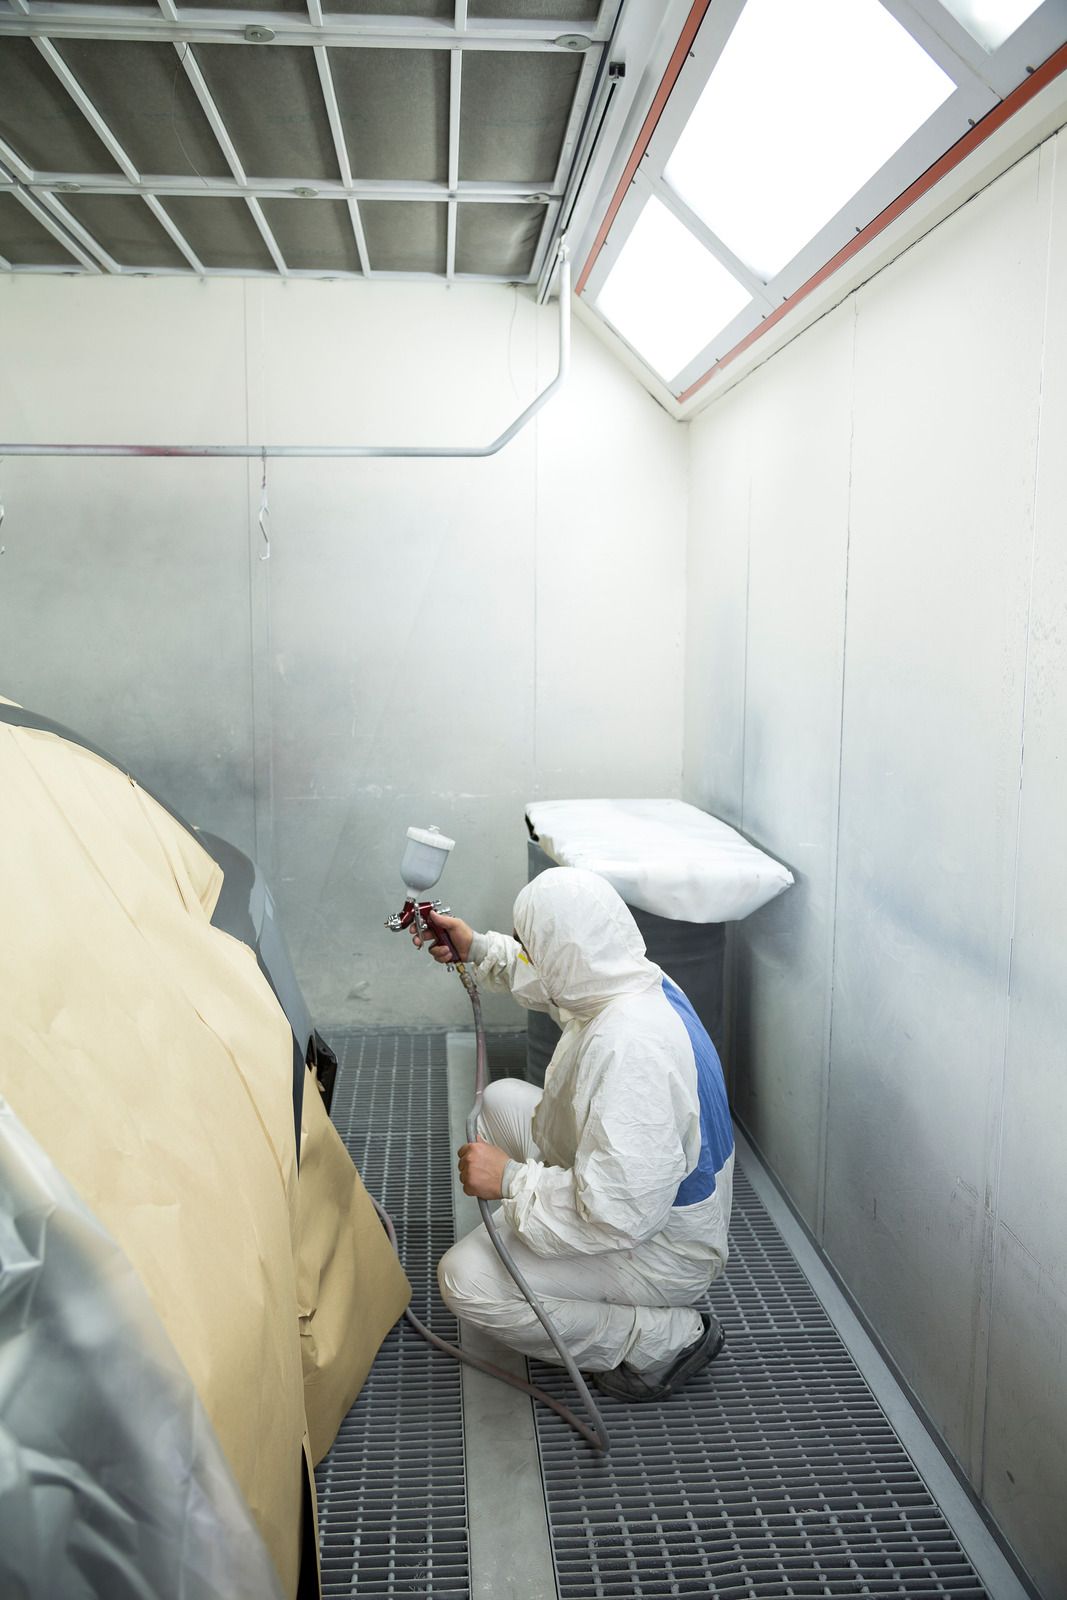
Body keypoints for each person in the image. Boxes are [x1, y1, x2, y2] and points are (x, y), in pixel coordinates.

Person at [417, 866, 733, 1403]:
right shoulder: (630, 980)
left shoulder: (633, 1051)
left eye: (531, 945)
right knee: (497, 1102)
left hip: (660, 1246)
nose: (528, 955)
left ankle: (662, 1340)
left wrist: (512, 1182)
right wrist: (479, 950)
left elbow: (618, 1215)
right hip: (637, 1191)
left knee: (464, 1280)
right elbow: (554, 982)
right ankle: (539, 1260)